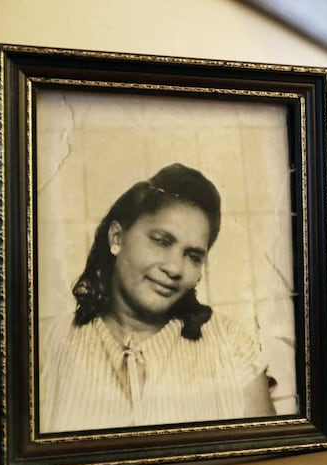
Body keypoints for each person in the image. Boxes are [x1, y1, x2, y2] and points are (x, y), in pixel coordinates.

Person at [39, 163, 276, 433]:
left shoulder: (232, 346)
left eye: (193, 256)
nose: (174, 268)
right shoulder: (47, 346)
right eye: (162, 241)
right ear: (117, 236)